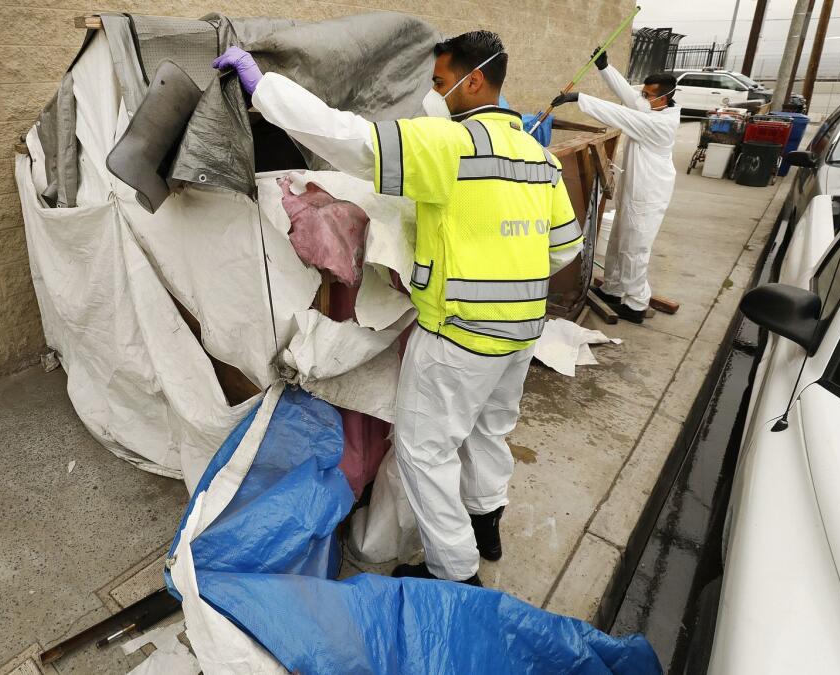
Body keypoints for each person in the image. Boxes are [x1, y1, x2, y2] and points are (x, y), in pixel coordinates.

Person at [214, 31, 582, 585]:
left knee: (423, 453)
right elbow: (564, 248)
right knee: (489, 431)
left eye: (439, 82)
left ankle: (456, 574)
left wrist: (266, 88)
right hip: (521, 335)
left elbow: (352, 140)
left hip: (458, 337)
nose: (435, 95)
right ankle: (487, 526)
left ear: (473, 80)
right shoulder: (537, 157)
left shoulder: (448, 146)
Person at [550, 50, 680, 324]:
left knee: (635, 249)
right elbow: (628, 96)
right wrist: (604, 67)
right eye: (644, 92)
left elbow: (621, 113)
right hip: (634, 191)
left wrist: (579, 99)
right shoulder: (650, 106)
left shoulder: (661, 123)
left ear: (664, 98)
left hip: (648, 195)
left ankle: (635, 303)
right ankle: (613, 288)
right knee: (619, 241)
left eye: (648, 94)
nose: (642, 97)